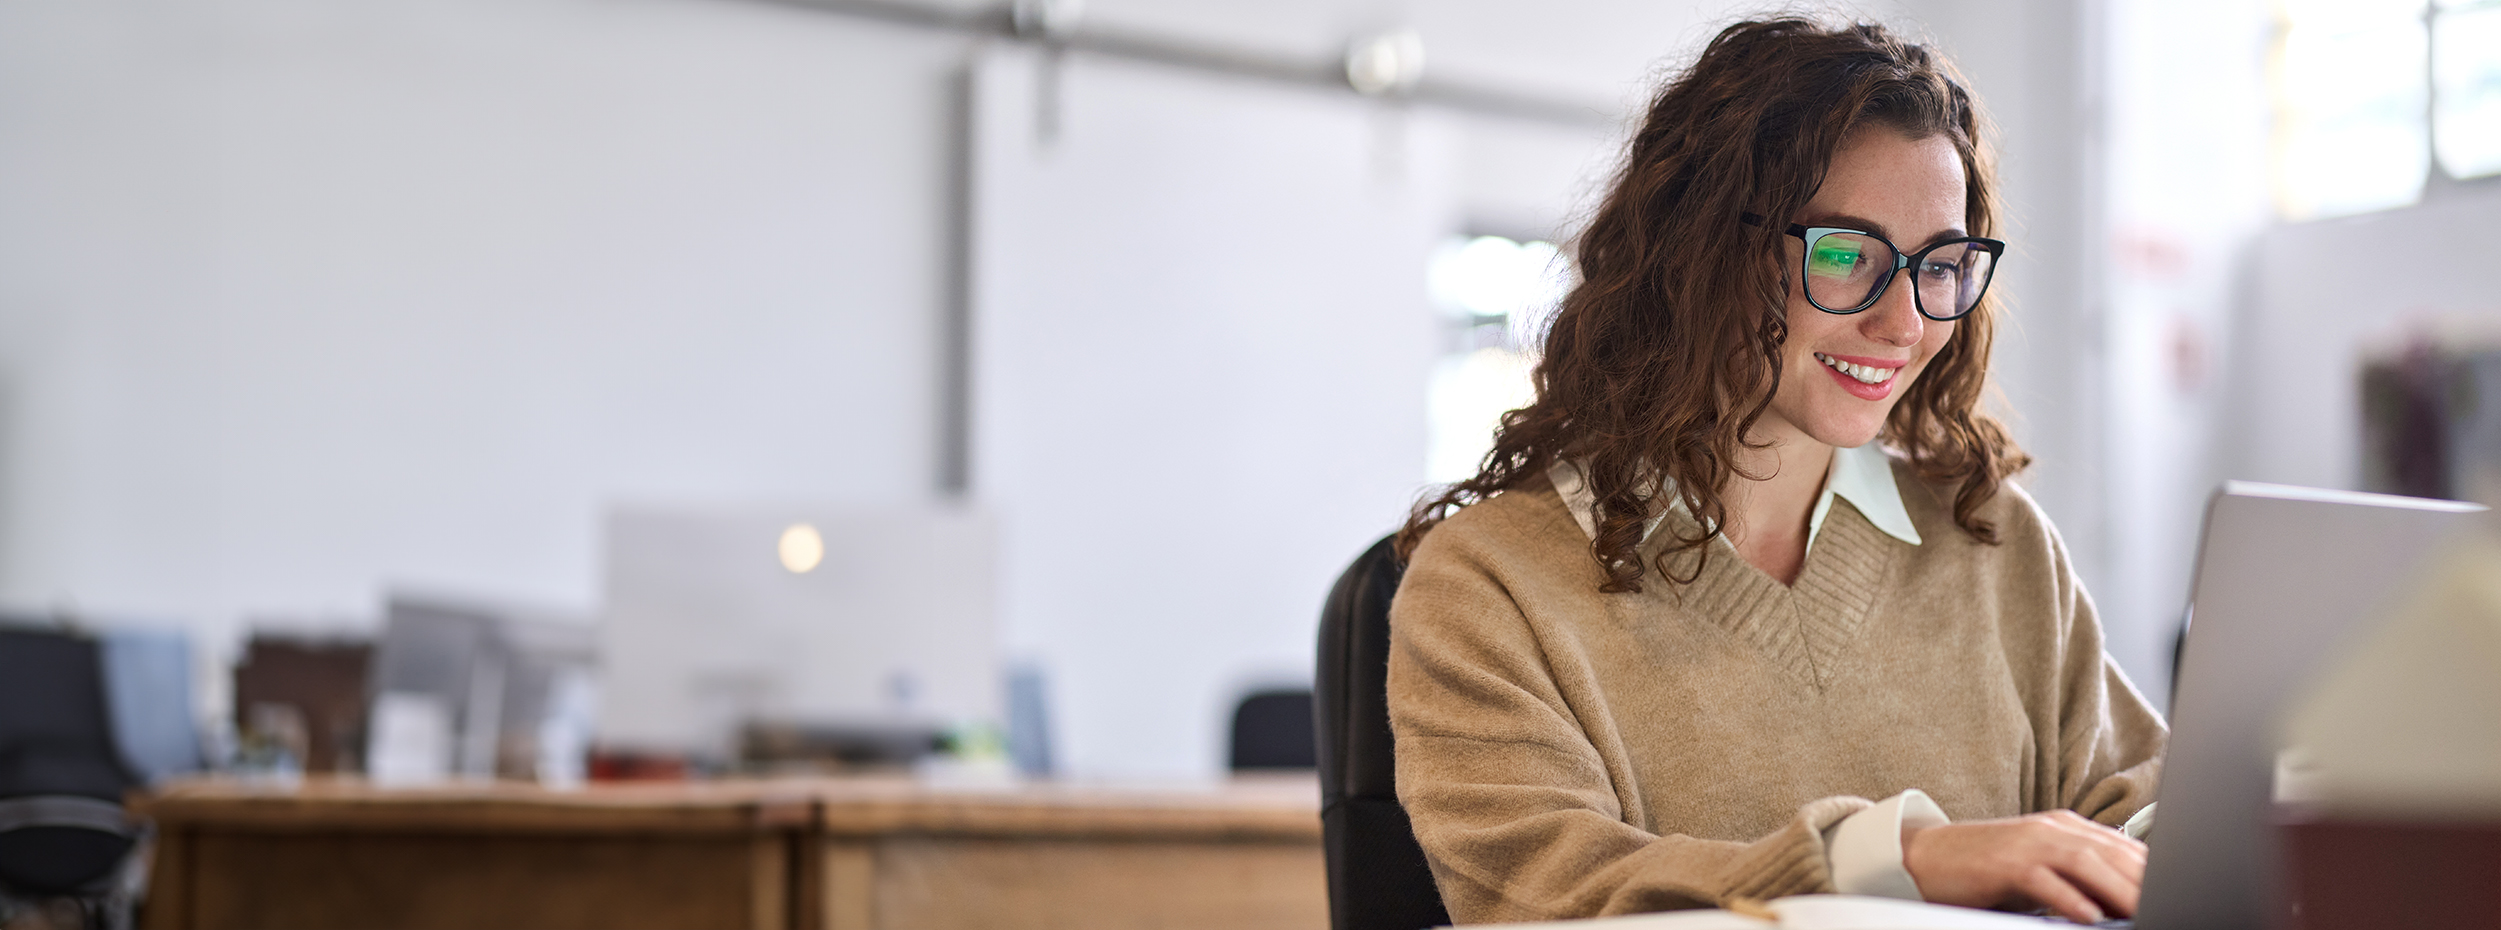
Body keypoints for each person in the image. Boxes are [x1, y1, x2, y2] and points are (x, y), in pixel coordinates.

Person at [1385, 17, 2166, 925]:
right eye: (1844, 255)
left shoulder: (1994, 543)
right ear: (1699, 254)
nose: (1905, 325)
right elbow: (1552, 893)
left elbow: (2140, 820)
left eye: (1940, 265)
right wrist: (1897, 861)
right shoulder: (1487, 585)